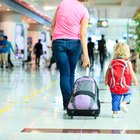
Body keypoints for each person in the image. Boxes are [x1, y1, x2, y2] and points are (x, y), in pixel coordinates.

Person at [51, 0, 90, 110]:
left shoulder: (62, 3)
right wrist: (86, 56)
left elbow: (53, 24)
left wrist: (54, 38)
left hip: (58, 42)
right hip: (74, 43)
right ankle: (71, 104)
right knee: (71, 73)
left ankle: (66, 104)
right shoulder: (84, 10)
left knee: (64, 74)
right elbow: (83, 33)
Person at [104, 43, 138, 118]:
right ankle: (123, 103)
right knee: (128, 94)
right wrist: (136, 81)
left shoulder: (112, 61)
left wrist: (106, 80)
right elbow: (131, 72)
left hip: (114, 85)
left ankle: (115, 113)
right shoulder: (127, 62)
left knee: (115, 98)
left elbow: (108, 71)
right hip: (125, 85)